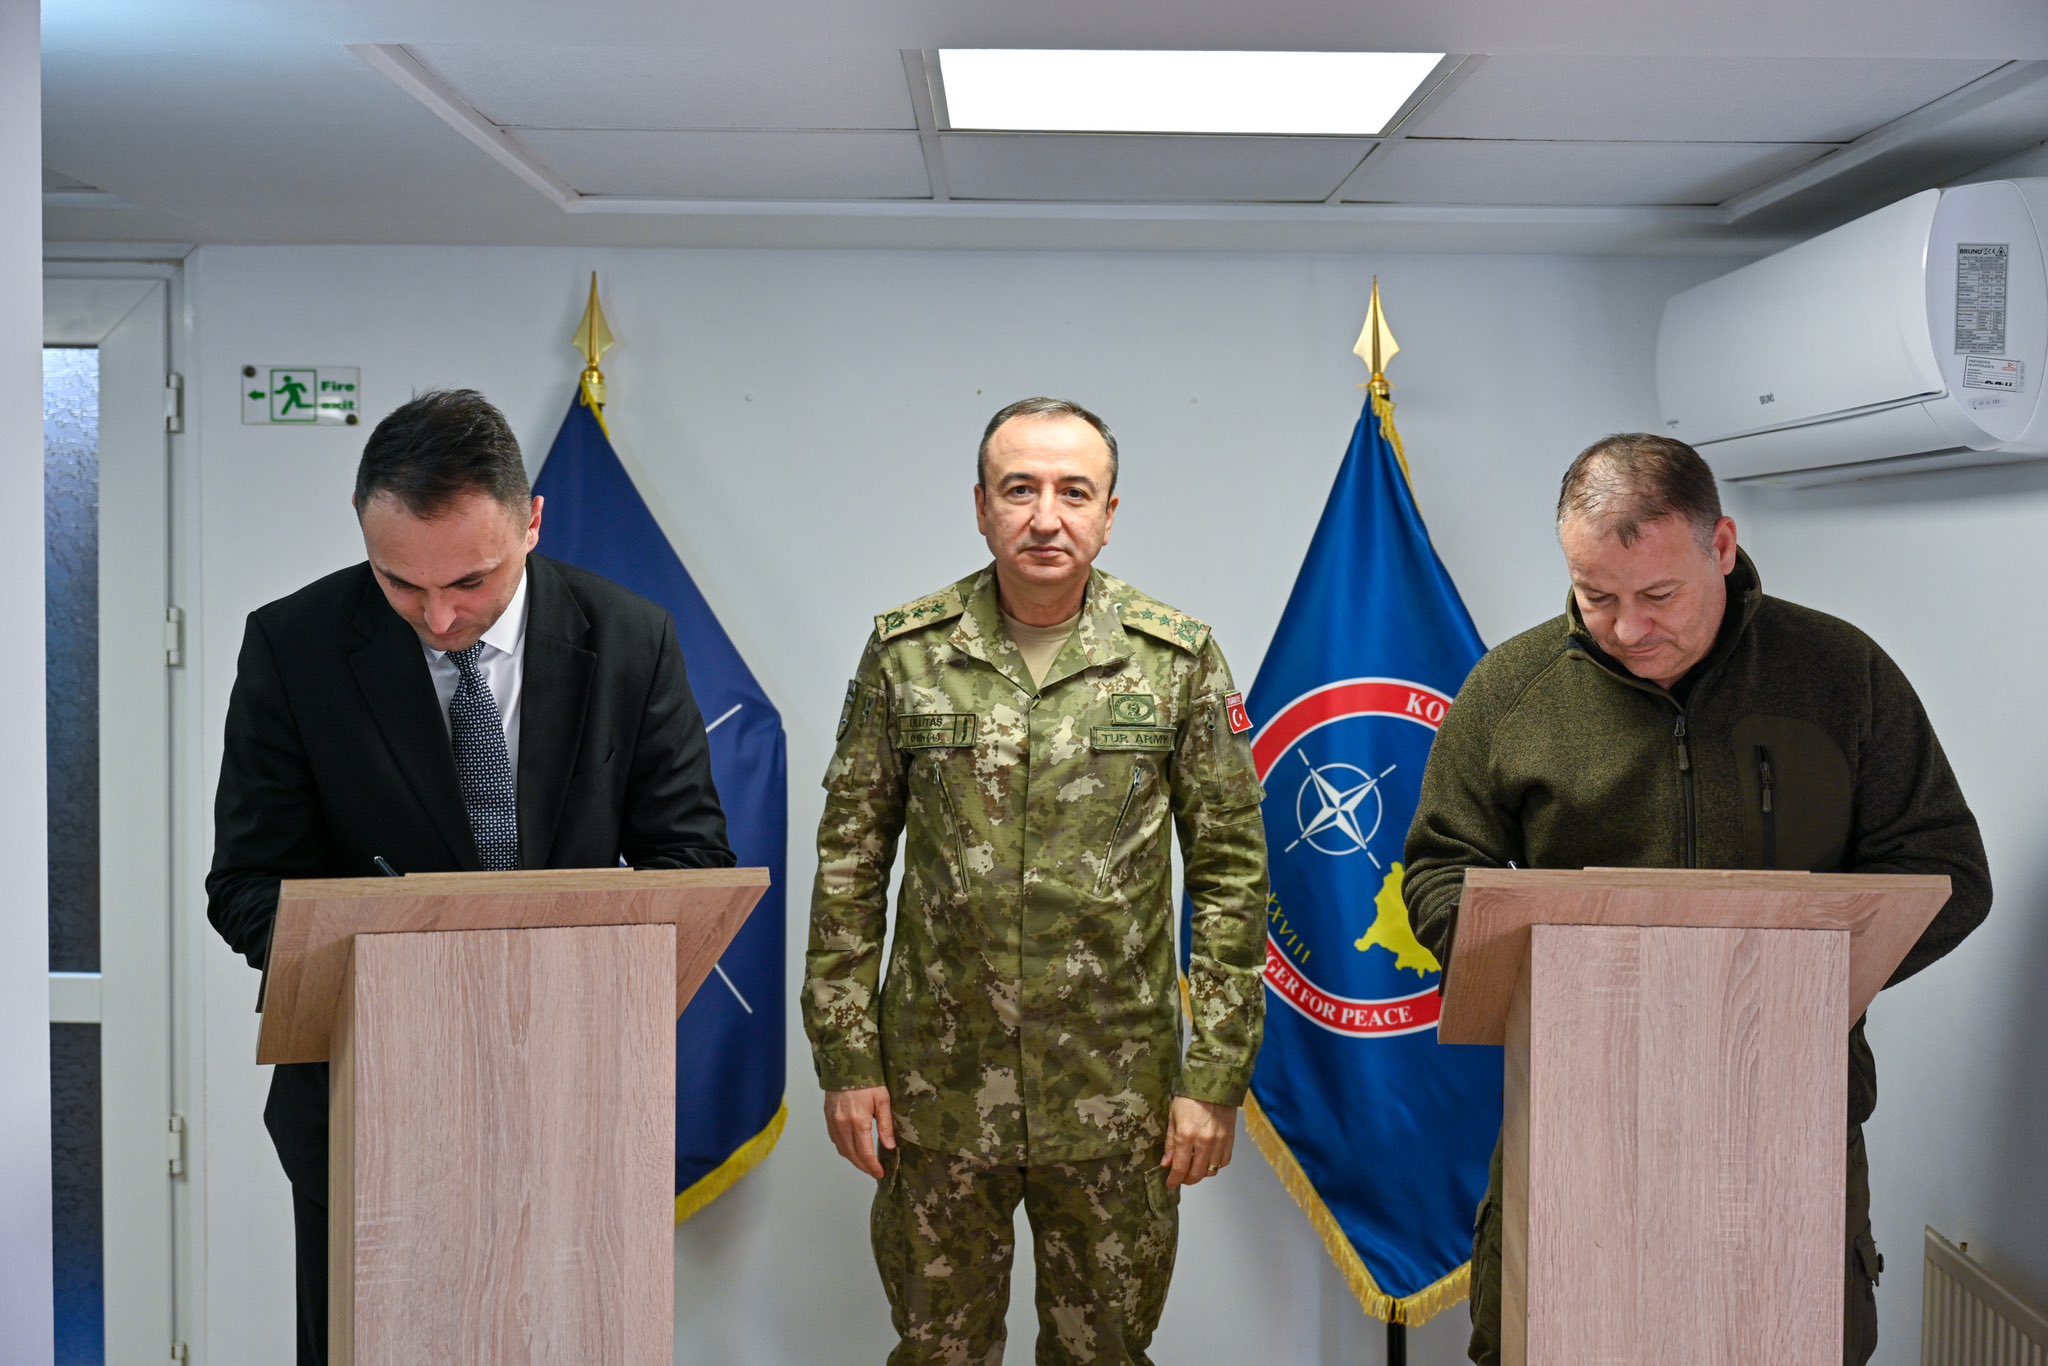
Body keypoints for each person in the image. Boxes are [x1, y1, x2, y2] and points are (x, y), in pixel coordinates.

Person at [1404, 432, 1991, 1366]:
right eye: (1596, 596)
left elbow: (1947, 870)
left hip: (1791, 1121)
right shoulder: (1511, 691)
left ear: (1721, 547)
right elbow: (1440, 867)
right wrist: (1554, 974)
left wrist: (1806, 977)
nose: (1627, 628)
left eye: (1658, 595)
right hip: (1578, 1124)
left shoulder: (1842, 675)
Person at [205, 388, 734, 1366]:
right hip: (365, 1105)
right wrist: (400, 963)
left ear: (531, 522)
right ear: (362, 527)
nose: (440, 615)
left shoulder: (630, 637)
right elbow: (243, 884)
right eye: (400, 584)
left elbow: (691, 862)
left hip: (577, 1097)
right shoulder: (294, 644)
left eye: (471, 582)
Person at [804, 396, 1268, 1364]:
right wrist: (846, 1058)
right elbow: (850, 860)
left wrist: (1216, 1075)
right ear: (981, 507)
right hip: (938, 1089)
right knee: (938, 1352)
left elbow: (1231, 873)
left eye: (1073, 492)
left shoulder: (1175, 659)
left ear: (1109, 513)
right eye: (1019, 490)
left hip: (1114, 1094)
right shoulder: (908, 653)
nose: (1045, 517)